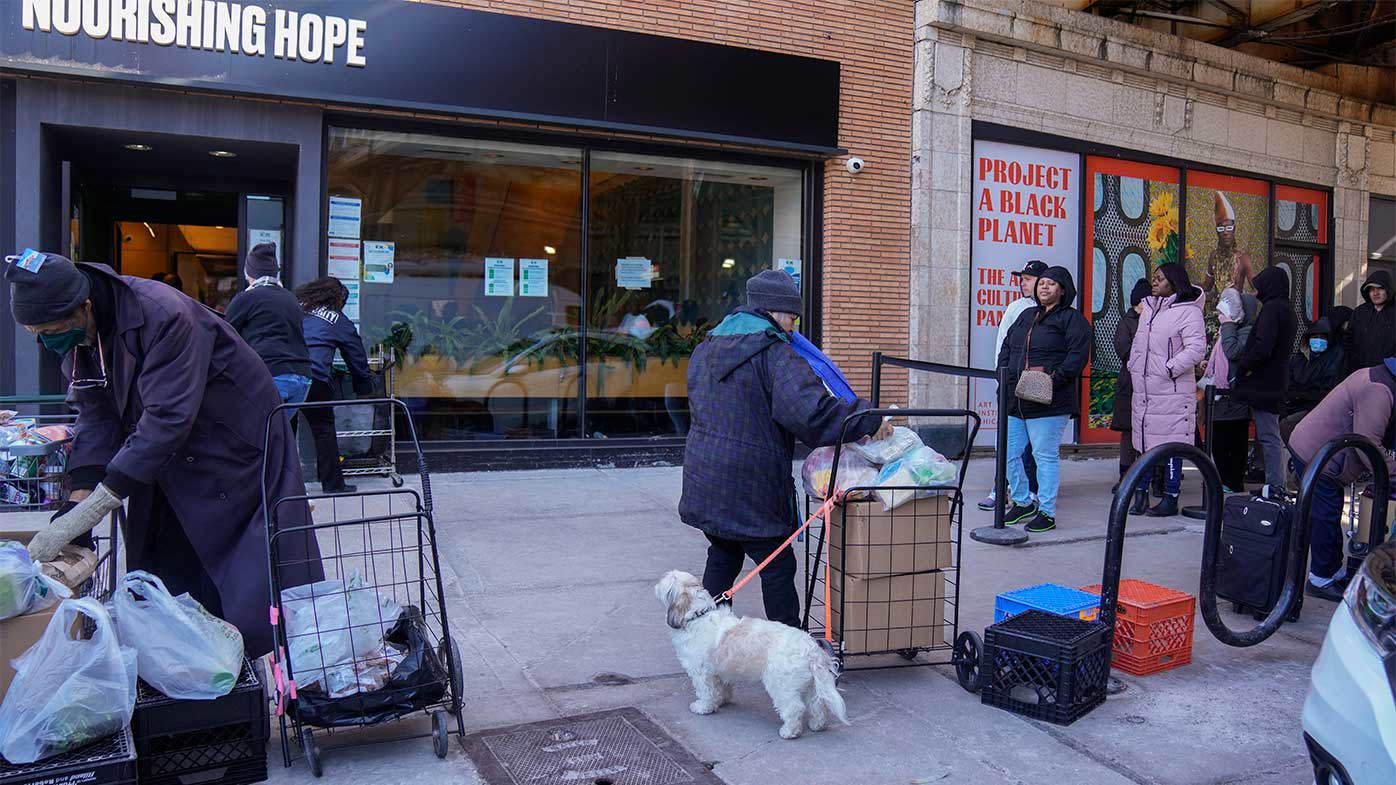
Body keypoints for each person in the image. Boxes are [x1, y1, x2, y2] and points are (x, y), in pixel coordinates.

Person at [4, 250, 320, 656]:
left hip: (231, 444)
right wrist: (76, 502)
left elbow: (168, 418)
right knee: (162, 558)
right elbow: (95, 415)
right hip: (166, 450)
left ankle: (238, 664)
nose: (44, 340)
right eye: (35, 332)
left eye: (48, 329)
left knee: (240, 573)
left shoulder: (163, 313)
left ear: (83, 306)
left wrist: (99, 503)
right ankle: (184, 662)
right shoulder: (83, 334)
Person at [679, 270, 890, 628]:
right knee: (777, 564)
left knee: (724, 552)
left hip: (706, 478)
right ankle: (792, 648)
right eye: (792, 318)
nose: (793, 328)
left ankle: (703, 638)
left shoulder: (706, 348)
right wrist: (867, 418)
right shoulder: (775, 354)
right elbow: (813, 415)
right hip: (751, 484)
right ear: (775, 312)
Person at [1288, 358, 1396, 602]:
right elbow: (1368, 445)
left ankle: (1332, 572)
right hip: (1317, 452)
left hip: (1324, 451)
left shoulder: (1382, 378)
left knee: (1328, 511)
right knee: (1325, 513)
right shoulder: (1378, 389)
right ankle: (1321, 579)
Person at [996, 265, 1091, 533]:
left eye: (1051, 284)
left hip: (1050, 400)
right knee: (1008, 454)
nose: (1044, 287)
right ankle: (1023, 502)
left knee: (1044, 456)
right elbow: (1007, 346)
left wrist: (1054, 378)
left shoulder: (1072, 319)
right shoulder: (1027, 315)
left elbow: (1077, 356)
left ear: (1062, 290)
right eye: (1042, 283)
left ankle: (1047, 512)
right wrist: (1002, 373)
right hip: (1016, 398)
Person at [1128, 263, 1207, 517]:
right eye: (1154, 277)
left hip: (1171, 392)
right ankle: (1140, 495)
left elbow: (1196, 349)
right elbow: (1139, 346)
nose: (1155, 281)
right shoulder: (1148, 309)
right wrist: (1133, 366)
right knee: (1143, 443)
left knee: (1172, 446)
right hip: (1145, 390)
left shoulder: (1189, 312)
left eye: (1160, 278)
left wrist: (1169, 368)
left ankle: (1171, 498)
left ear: (1173, 282)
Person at [296, 276, 376, 494]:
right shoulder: (338, 320)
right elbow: (356, 356)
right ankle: (333, 485)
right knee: (324, 430)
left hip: (286, 373)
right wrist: (364, 389)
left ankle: (281, 485)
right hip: (315, 378)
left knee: (282, 429)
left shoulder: (297, 310)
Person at [980, 261, 1047, 511]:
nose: (1023, 282)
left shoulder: (1053, 311)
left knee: (1034, 442)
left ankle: (1030, 490)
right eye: (1023, 278)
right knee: (1008, 440)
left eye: (1029, 278)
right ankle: (1000, 488)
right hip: (1012, 383)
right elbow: (1002, 346)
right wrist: (1003, 377)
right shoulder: (1016, 308)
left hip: (1038, 386)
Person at [1231, 265, 1298, 492]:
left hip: (1265, 382)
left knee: (1269, 434)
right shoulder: (1286, 308)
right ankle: (1275, 484)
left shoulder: (1272, 309)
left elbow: (1263, 346)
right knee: (1270, 434)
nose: (1256, 289)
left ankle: (1275, 485)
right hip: (1276, 380)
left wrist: (1244, 366)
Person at [224, 243, 312, 406]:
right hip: (302, 379)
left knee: (251, 429)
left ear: (249, 272)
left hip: (271, 375)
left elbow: (224, 337)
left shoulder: (247, 298)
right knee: (276, 430)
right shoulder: (291, 298)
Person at [1206, 288, 1260, 493]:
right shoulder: (1232, 329)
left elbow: (1233, 352)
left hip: (1234, 397)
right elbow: (1220, 356)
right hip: (1222, 397)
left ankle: (1232, 481)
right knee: (1219, 441)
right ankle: (1224, 479)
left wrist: (1228, 325)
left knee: (1233, 443)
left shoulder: (1247, 331)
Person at [1111, 278, 1150, 493]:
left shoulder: (1155, 321)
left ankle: (1153, 477)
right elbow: (1124, 350)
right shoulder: (1126, 323)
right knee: (1129, 432)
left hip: (1151, 384)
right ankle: (1125, 478)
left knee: (1151, 432)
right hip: (1130, 384)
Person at [1280, 318, 1345, 441]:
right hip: (1293, 404)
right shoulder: (1299, 358)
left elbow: (1326, 388)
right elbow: (1289, 382)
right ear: (1308, 339)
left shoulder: (1334, 357)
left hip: (1315, 407)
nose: (1318, 340)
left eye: (1323, 337)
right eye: (1315, 336)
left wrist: (1301, 394)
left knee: (1288, 425)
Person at [1348, 270, 1395, 373]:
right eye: (1371, 289)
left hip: (1387, 374)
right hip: (1360, 372)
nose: (1375, 293)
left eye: (1380, 288)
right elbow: (1348, 340)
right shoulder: (1360, 312)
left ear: (1388, 289)